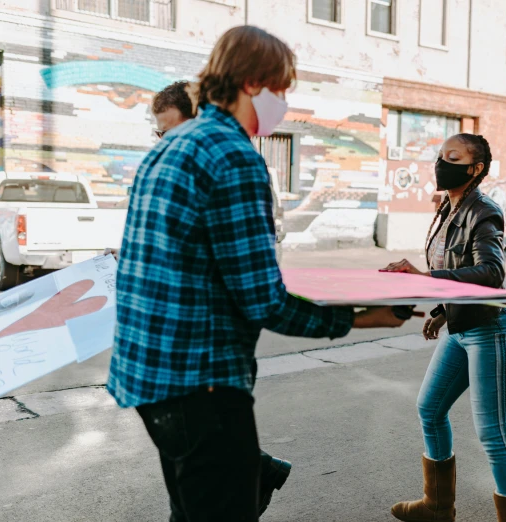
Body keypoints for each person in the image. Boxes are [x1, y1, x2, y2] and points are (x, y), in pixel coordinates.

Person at [107, 26, 411, 522]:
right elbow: (262, 299)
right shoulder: (234, 156)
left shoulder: (171, 145)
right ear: (252, 82)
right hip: (201, 384)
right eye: (281, 88)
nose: (284, 102)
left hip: (152, 378)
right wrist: (361, 317)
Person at [106, 79, 294, 517]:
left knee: (201, 492)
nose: (166, 143)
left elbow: (253, 283)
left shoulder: (228, 166)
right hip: (170, 370)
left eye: (172, 130)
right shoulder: (171, 165)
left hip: (207, 361)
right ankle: (258, 469)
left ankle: (256, 470)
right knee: (190, 488)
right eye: (159, 134)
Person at [382, 134, 506, 522]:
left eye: (453, 157)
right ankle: (437, 506)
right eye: (440, 156)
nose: (441, 163)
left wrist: (425, 278)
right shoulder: (448, 209)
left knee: (495, 435)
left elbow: (491, 272)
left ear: (475, 168)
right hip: (463, 324)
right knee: (430, 409)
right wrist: (443, 309)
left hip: (494, 326)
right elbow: (458, 272)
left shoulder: (484, 210)